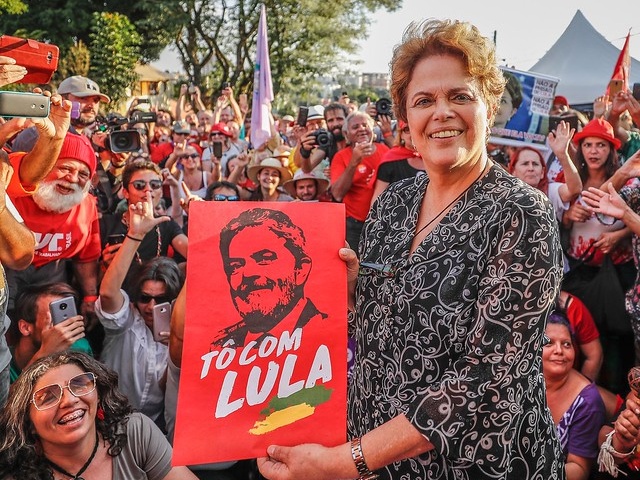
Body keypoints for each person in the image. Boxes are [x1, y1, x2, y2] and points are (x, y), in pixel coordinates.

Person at [258, 19, 563, 480]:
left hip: (477, 466)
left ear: (490, 106)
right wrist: (350, 293)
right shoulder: (395, 201)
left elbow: (484, 377)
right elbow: (382, 330)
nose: (441, 112)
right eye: (424, 100)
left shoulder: (521, 212)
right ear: (406, 119)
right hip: (375, 458)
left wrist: (345, 462)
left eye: (460, 96)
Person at [0, 351, 197, 480]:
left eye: (79, 385)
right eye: (48, 398)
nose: (69, 400)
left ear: (99, 395)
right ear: (28, 423)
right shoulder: (16, 475)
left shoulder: (135, 432)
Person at [96, 190, 184, 423]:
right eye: (145, 297)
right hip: (108, 419)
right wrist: (135, 235)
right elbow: (107, 293)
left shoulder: (180, 334)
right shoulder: (125, 321)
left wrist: (176, 351)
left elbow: (167, 389)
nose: (150, 306)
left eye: (161, 300)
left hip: (152, 426)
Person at [213, 208, 327, 347]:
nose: (248, 273)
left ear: (300, 270)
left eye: (264, 258)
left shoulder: (329, 332)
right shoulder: (219, 345)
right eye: (235, 266)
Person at [543, 312, 606, 479]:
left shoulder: (587, 401)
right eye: (549, 343)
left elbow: (579, 469)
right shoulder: (522, 382)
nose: (559, 351)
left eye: (566, 344)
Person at [330, 111, 389, 254]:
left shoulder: (385, 151)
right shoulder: (341, 157)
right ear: (347, 135)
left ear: (372, 129)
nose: (361, 129)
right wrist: (354, 162)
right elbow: (337, 194)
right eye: (355, 127)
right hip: (354, 226)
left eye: (365, 125)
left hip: (383, 223)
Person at [9, 282, 90, 382]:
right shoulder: (4, 362)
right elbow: (9, 397)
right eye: (54, 318)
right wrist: (43, 354)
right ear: (25, 327)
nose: (63, 331)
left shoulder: (80, 348)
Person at [370, 119, 424, 204]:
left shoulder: (434, 158)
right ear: (401, 134)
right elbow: (378, 198)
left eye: (416, 128)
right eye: (407, 130)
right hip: (397, 214)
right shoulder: (390, 160)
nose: (412, 133)